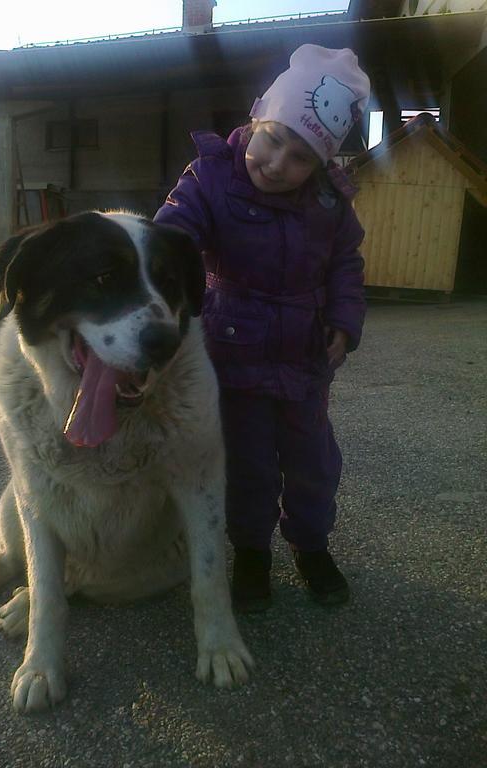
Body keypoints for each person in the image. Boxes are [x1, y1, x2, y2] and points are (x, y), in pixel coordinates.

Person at [154, 44, 370, 613]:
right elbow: (176, 229)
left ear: (320, 165)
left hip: (305, 357)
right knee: (247, 465)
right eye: (272, 139)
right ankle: (251, 551)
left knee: (313, 463)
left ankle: (312, 546)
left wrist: (345, 324)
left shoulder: (329, 203)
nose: (277, 164)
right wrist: (163, 263)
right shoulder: (210, 178)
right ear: (255, 117)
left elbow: (347, 263)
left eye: (300, 157)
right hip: (234, 351)